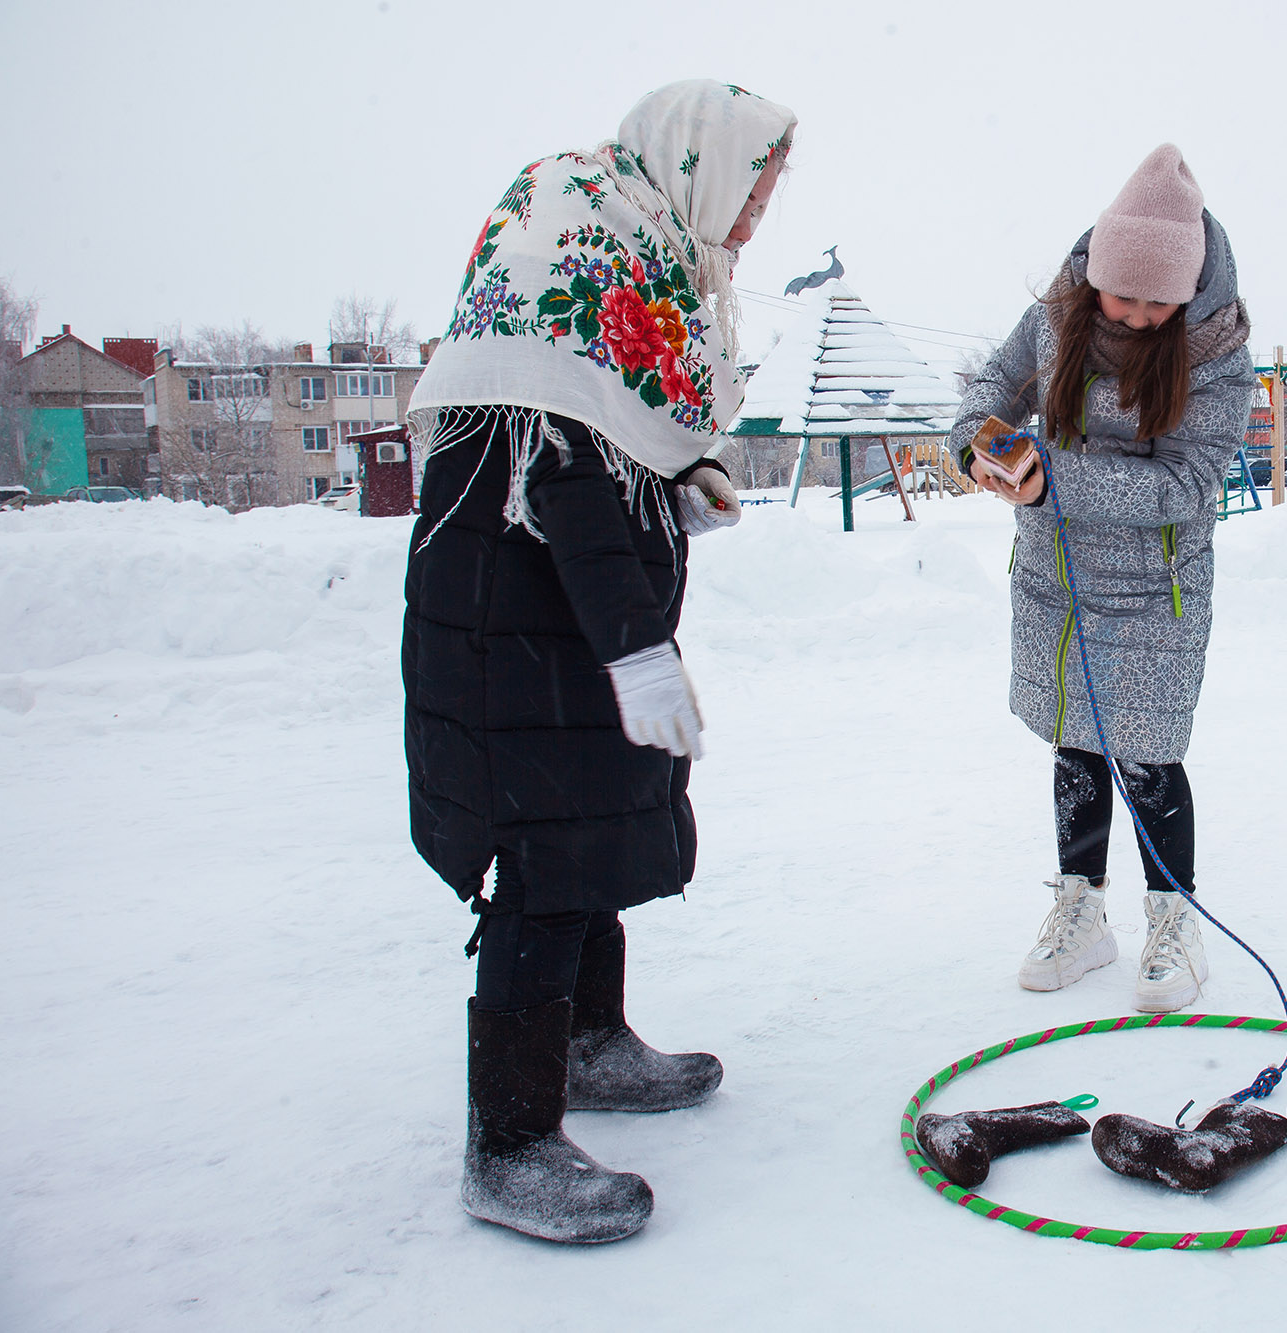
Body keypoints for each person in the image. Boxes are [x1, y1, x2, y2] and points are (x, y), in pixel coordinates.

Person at [401, 80, 796, 1244]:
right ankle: (510, 1143)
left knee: (586, 825)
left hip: (555, 605)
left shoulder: (627, 239)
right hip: (511, 616)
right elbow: (561, 466)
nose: (756, 213)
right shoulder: (578, 242)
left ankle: (587, 1041)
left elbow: (610, 431)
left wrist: (675, 478)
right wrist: (636, 652)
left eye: (770, 193)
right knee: (539, 852)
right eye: (753, 187)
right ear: (695, 162)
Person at [949, 144, 1253, 1014]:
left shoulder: (1215, 350)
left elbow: (1187, 487)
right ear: (1096, 276)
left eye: (1163, 300)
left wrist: (1056, 480)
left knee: (1149, 753)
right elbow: (990, 392)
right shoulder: (1055, 316)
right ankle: (1082, 910)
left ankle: (1174, 919)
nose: (1143, 314)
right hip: (1058, 573)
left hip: (1158, 584)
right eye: (1126, 295)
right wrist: (983, 443)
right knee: (1076, 742)